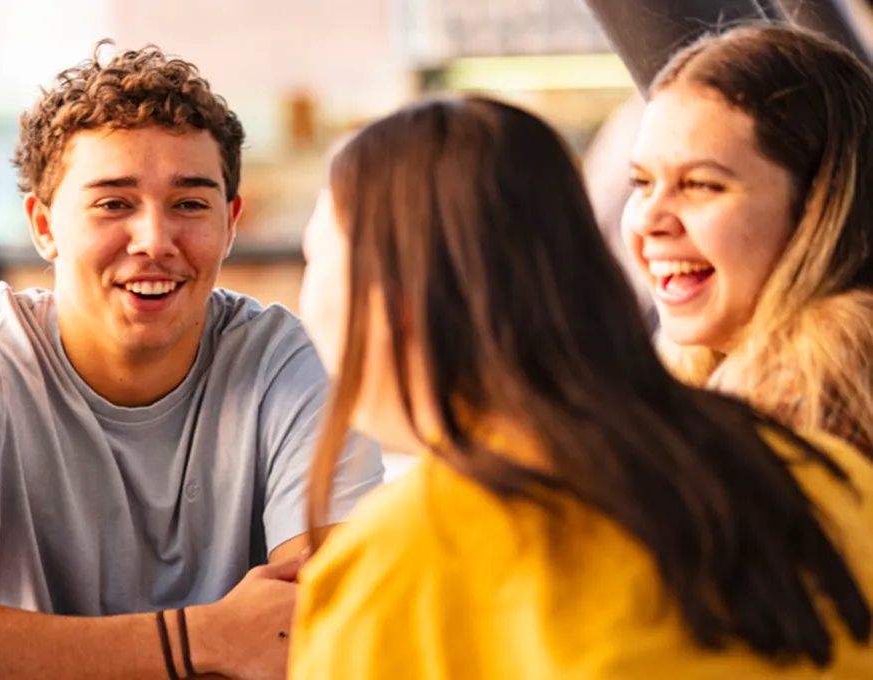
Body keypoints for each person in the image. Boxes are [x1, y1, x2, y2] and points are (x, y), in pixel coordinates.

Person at [288, 95, 873, 678]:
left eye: (315, 260)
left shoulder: (398, 568)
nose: (305, 299)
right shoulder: (833, 479)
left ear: (391, 300)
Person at [0, 41, 382, 680]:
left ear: (230, 221)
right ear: (43, 226)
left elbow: (332, 625)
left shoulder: (293, 363)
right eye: (113, 203)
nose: (155, 240)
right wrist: (199, 640)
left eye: (189, 203)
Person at [622, 24, 873, 454]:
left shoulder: (805, 407)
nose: (649, 218)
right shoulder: (712, 376)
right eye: (642, 182)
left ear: (819, 205)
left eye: (701, 185)